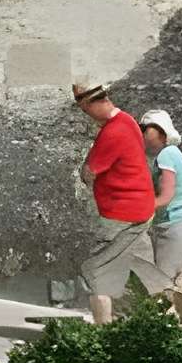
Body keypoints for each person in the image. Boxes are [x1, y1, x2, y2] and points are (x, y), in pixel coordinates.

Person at [72, 80, 171, 321]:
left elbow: (90, 171)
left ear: (92, 103)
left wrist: (93, 183)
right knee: (142, 272)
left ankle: (103, 336)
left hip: (121, 214)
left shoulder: (113, 132)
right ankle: (161, 322)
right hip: (141, 210)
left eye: (85, 110)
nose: (86, 116)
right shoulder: (128, 120)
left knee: (96, 271)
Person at [139, 108, 182, 288]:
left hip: (176, 226)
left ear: (160, 130)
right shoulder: (170, 153)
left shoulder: (167, 154)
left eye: (145, 128)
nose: (141, 132)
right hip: (179, 226)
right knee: (177, 285)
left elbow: (166, 196)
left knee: (164, 288)